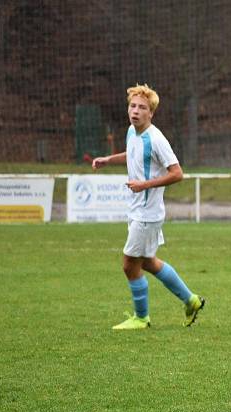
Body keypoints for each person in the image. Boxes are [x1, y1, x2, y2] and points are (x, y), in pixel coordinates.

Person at [92, 84, 205, 330]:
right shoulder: (132, 132)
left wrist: (146, 185)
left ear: (151, 113)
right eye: (133, 106)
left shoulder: (156, 139)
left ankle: (141, 318)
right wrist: (108, 160)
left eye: (142, 108)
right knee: (148, 262)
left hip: (147, 213)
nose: (136, 111)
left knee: (128, 264)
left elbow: (177, 174)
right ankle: (192, 300)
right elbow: (132, 154)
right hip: (137, 211)